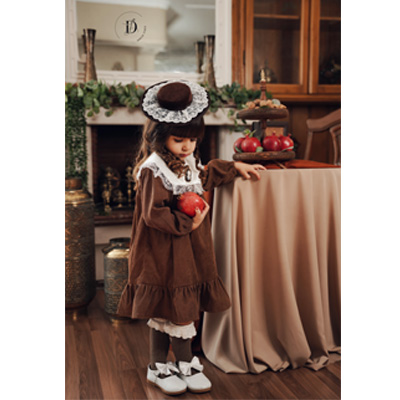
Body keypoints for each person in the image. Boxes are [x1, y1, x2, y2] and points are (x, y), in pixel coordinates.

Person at [117, 80, 265, 395]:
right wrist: (188, 223)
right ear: (160, 138)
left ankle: (170, 365)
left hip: (187, 248)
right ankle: (169, 365)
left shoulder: (187, 161)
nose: (187, 146)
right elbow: (153, 214)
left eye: (193, 140)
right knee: (168, 308)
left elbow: (204, 175)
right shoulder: (154, 169)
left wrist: (235, 167)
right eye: (179, 140)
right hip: (162, 251)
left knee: (175, 307)